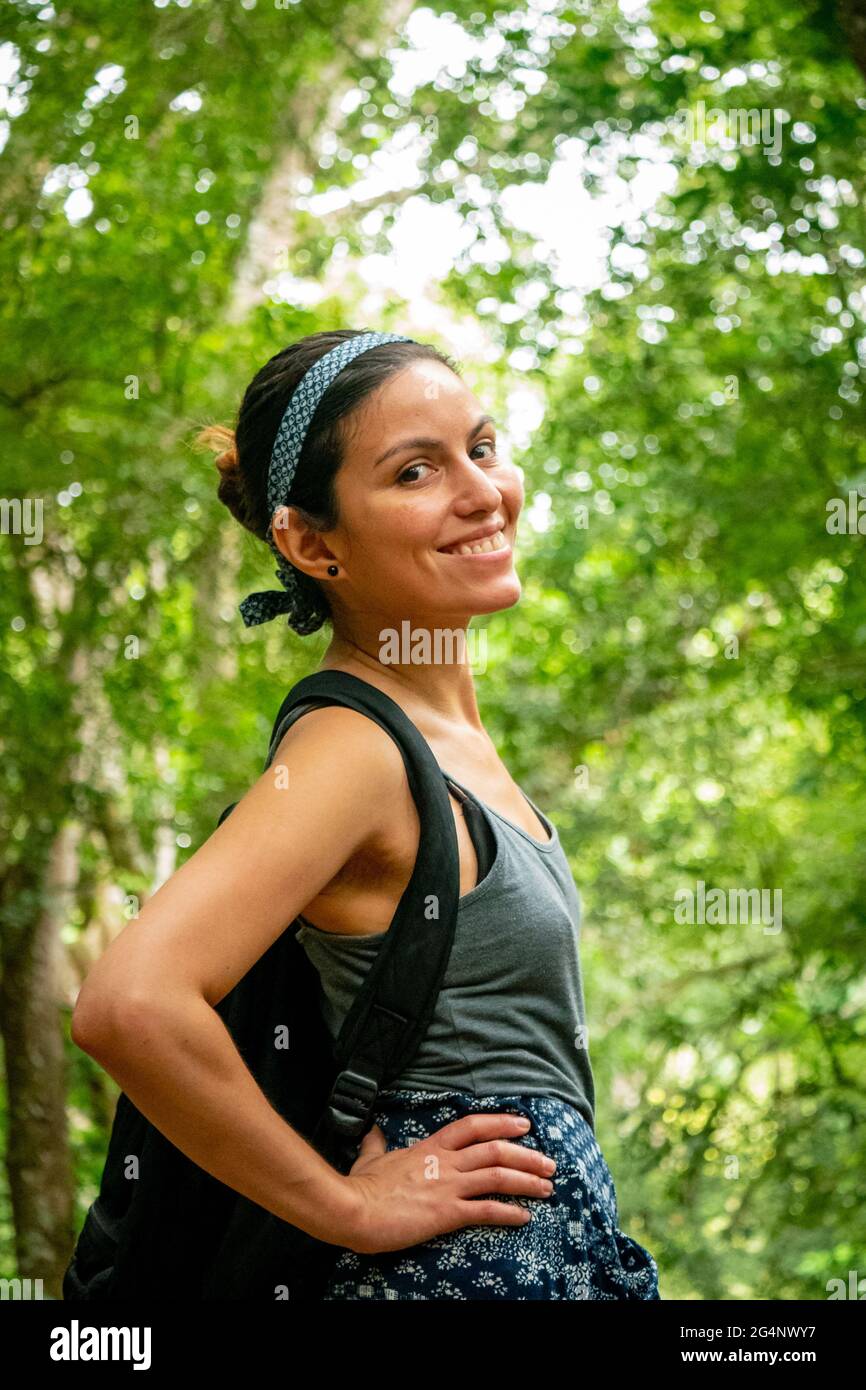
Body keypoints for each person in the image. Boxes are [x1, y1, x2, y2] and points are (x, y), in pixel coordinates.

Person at [72, 328, 660, 1300]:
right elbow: (129, 1002)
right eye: (415, 471)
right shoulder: (355, 750)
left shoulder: (441, 744)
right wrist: (348, 1207)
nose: (481, 492)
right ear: (309, 540)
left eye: (480, 447)